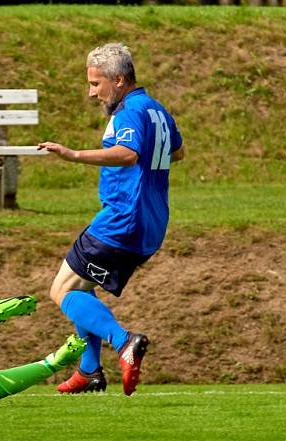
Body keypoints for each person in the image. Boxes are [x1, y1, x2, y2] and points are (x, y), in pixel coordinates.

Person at [38, 43, 184, 396]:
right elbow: (177, 152)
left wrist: (72, 155)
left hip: (121, 219)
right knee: (84, 288)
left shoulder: (129, 112)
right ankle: (89, 370)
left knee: (61, 290)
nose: (91, 93)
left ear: (118, 80)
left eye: (96, 83)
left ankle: (124, 342)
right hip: (151, 223)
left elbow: (127, 154)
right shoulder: (157, 110)